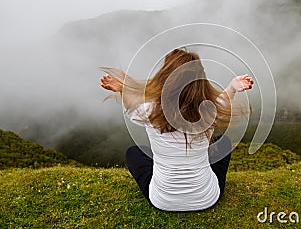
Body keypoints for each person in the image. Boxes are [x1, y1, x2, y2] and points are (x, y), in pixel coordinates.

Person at [100, 48, 253, 211]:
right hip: (206, 199)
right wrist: (233, 87)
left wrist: (123, 89)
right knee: (224, 142)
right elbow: (223, 102)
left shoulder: (149, 112)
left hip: (162, 201)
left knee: (134, 153)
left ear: (164, 78)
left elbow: (130, 108)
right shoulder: (209, 111)